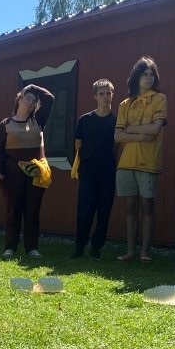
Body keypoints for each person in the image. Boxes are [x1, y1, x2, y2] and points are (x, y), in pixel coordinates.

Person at [0, 84, 55, 259]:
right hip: (12, 176)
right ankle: (10, 247)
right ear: (19, 100)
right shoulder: (5, 124)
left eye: (34, 101)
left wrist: (33, 87)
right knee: (13, 210)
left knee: (32, 211)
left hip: (35, 175)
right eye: (27, 98)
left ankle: (32, 247)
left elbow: (50, 98)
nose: (30, 102)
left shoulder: (38, 121)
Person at [114, 56, 167, 262]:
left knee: (147, 208)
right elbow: (117, 136)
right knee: (129, 208)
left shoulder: (160, 99)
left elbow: (155, 129)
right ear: (136, 77)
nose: (149, 77)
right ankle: (130, 251)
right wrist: (142, 135)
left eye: (152, 74)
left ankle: (145, 252)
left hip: (148, 162)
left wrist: (131, 129)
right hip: (126, 163)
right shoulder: (125, 104)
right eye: (145, 74)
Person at [71, 79, 117, 259]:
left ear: (112, 95)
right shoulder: (85, 120)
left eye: (108, 93)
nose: (105, 97)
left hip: (108, 172)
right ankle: (79, 247)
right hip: (88, 172)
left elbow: (118, 147)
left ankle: (96, 248)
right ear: (95, 96)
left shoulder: (117, 121)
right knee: (85, 212)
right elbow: (78, 145)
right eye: (101, 94)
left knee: (104, 212)